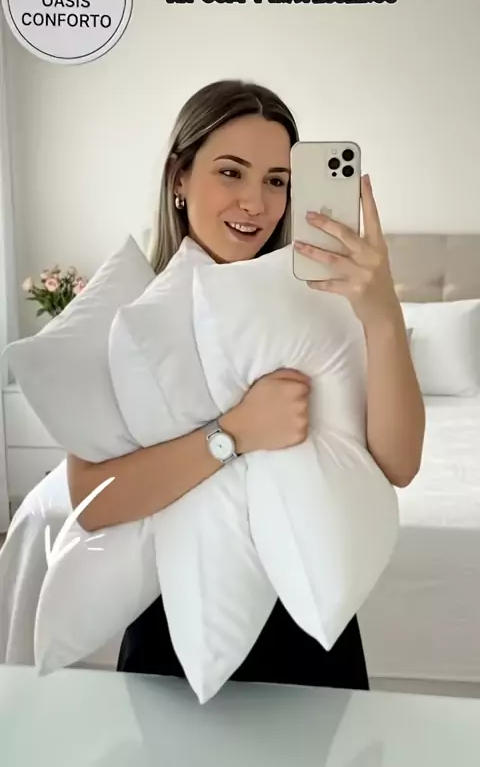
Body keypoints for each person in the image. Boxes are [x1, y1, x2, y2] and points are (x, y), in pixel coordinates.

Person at [67, 79, 425, 691]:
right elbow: (90, 501)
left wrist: (383, 314)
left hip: (310, 621)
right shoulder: (132, 313)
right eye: (231, 172)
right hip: (181, 622)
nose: (255, 203)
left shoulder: (321, 303)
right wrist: (233, 434)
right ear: (179, 177)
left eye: (277, 181)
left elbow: (399, 463)